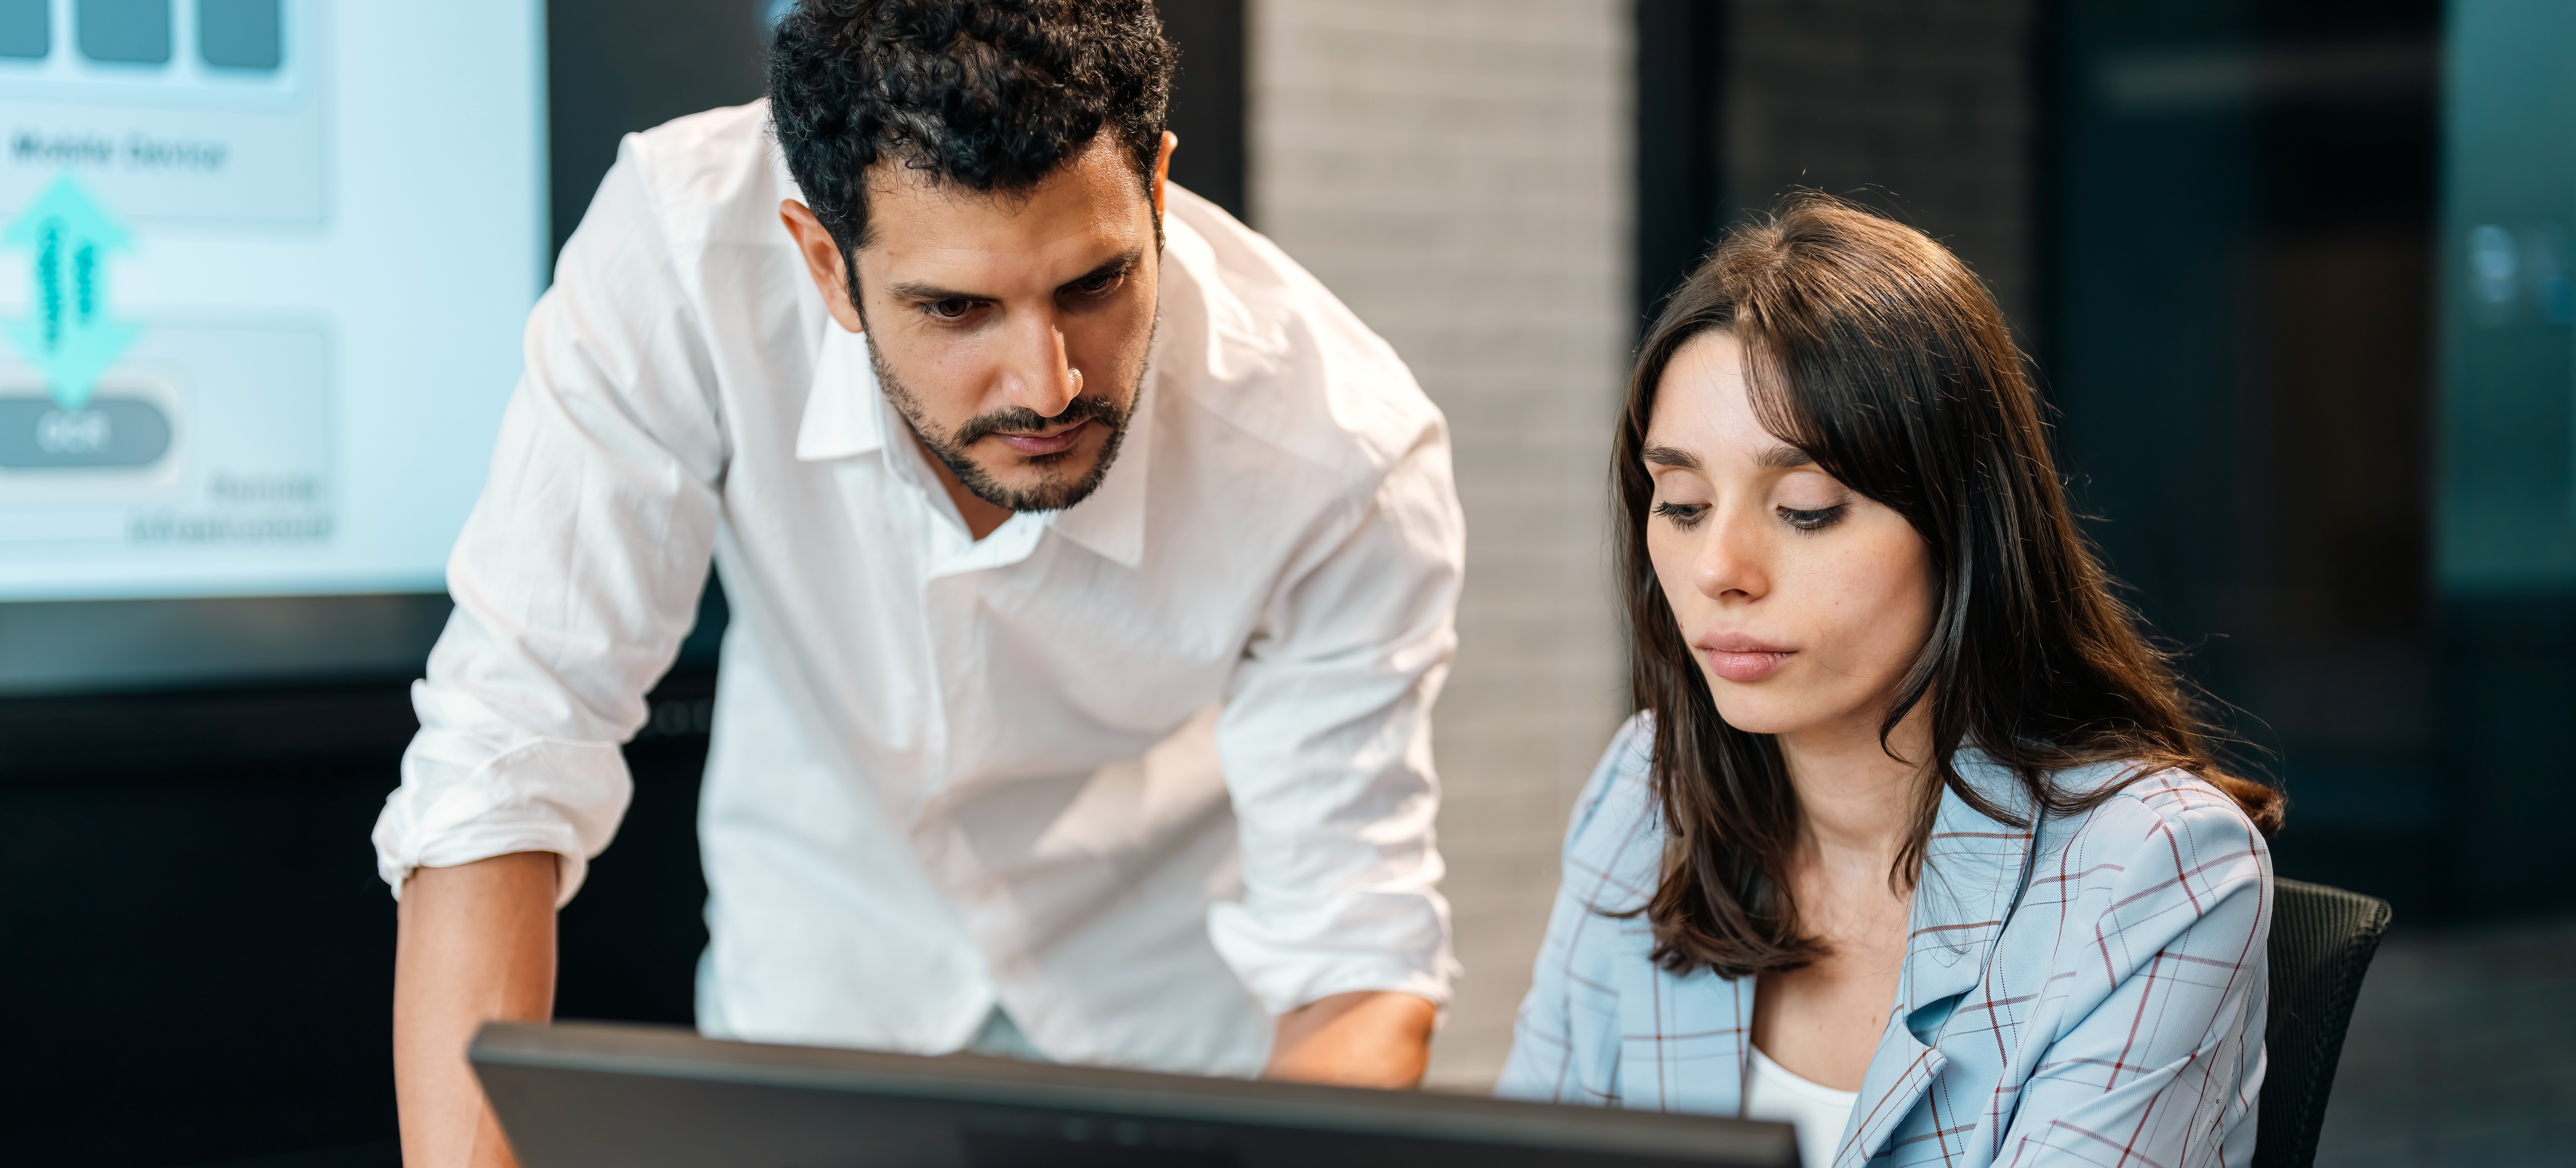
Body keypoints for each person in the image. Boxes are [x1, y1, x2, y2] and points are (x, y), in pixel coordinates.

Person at [376, 2, 1464, 1164]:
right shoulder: (684, 251)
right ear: (823, 263)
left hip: (1168, 1024)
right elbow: (508, 748)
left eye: (1095, 284)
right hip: (820, 982)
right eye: (956, 308)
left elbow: (1357, 963)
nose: (1046, 385)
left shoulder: (1343, 452)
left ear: (1155, 188)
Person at [1496, 197, 2284, 1168]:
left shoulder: (2156, 869)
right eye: (1684, 503)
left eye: (1808, 508)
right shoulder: (1646, 793)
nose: (1719, 569)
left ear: (1964, 529)